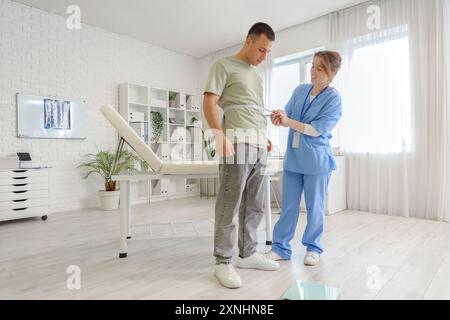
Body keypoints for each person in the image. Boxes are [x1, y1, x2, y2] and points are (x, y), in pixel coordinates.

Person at [203, 22, 280, 289]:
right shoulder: (223, 66)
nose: (264, 56)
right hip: (236, 142)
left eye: (268, 52)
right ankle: (223, 262)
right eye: (261, 49)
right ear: (248, 41)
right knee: (229, 202)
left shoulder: (257, 75)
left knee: (256, 203)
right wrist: (218, 134)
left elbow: (254, 110)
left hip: (259, 144)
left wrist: (264, 137)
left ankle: (248, 254)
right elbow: (210, 101)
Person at [266, 51, 342, 266]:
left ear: (332, 73)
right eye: (313, 66)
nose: (313, 72)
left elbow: (316, 130)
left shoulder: (334, 98)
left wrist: (288, 121)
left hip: (316, 161)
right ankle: (280, 247)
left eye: (320, 68)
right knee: (288, 205)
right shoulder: (300, 90)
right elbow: (287, 115)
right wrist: (279, 116)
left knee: (314, 206)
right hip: (294, 159)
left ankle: (313, 248)